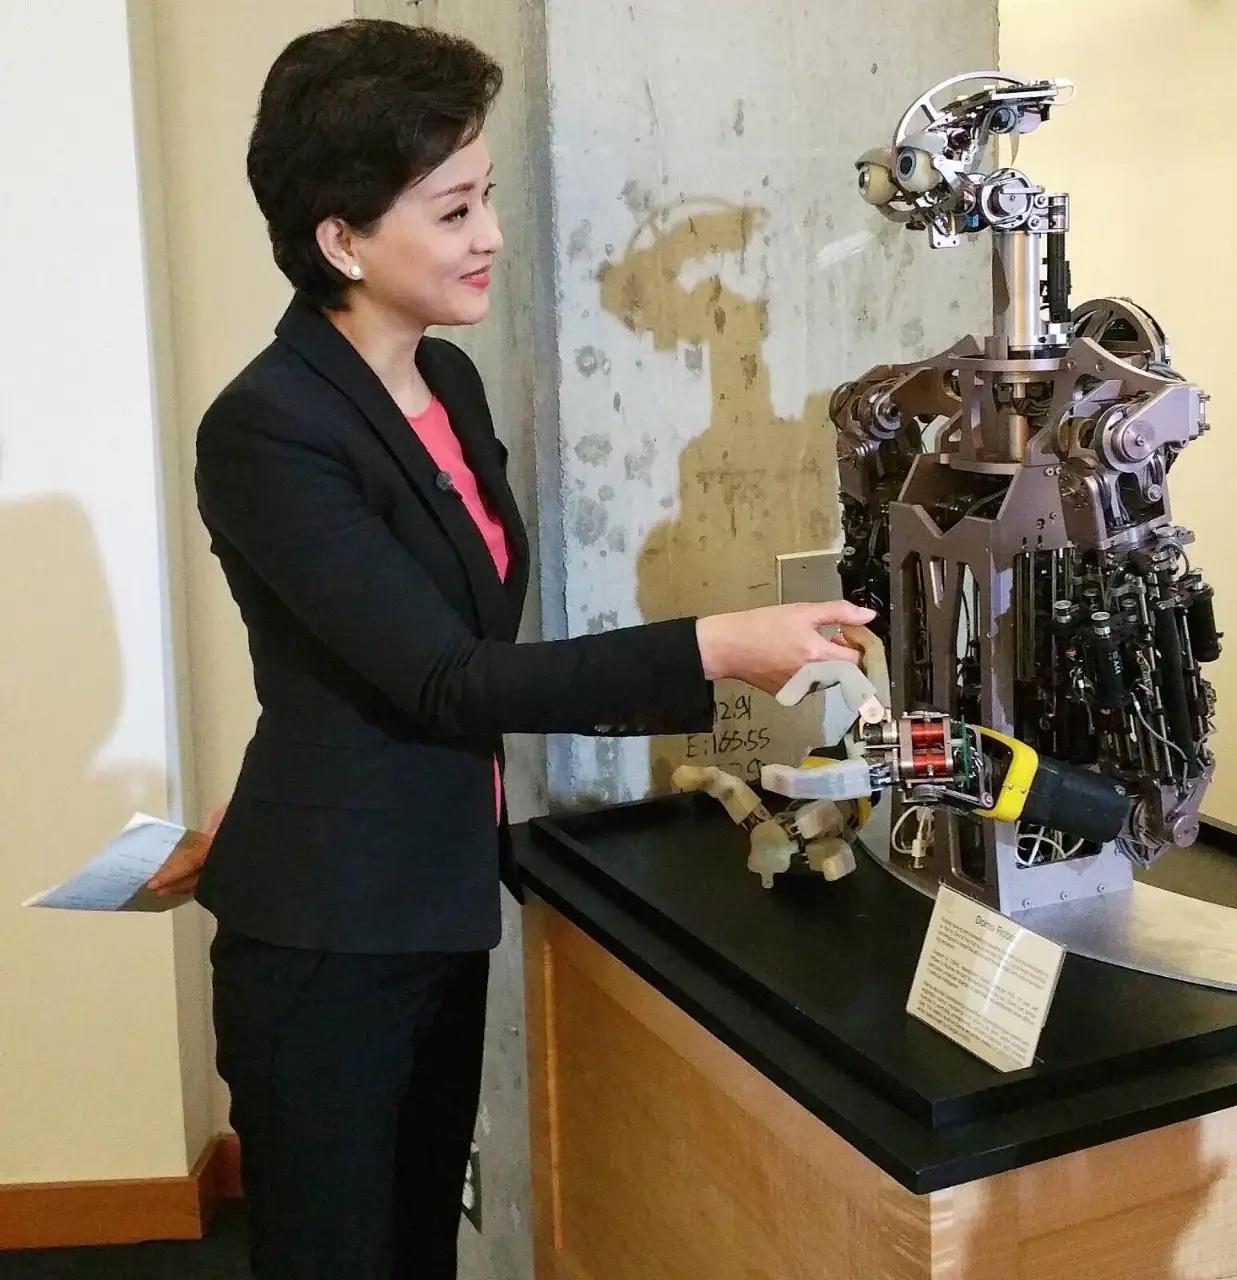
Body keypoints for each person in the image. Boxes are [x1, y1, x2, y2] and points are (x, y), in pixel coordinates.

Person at [147, 18, 873, 1280]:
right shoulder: (268, 426)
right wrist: (713, 645)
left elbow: (403, 646)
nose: (489, 233)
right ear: (340, 238)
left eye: (485, 196)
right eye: (452, 210)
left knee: (418, 1242)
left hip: (434, 893)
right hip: (328, 935)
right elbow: (446, 676)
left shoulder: (447, 382)